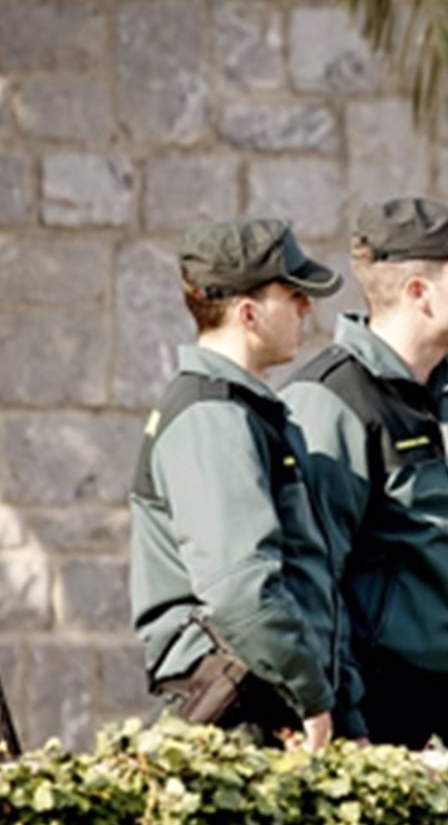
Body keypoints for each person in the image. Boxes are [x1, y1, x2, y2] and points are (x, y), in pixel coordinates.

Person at [284, 197, 448, 749]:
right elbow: (314, 578)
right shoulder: (331, 400)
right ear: (418, 291)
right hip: (379, 723)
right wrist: (347, 722)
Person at [129, 217, 344, 748]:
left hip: (257, 697)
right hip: (234, 711)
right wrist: (312, 696)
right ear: (248, 313)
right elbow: (241, 589)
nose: (306, 308)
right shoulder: (213, 418)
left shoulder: (238, 411)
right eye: (293, 295)